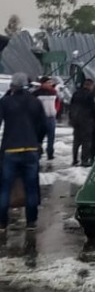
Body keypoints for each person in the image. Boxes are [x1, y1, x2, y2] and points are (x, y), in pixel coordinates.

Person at [0, 73, 46, 232]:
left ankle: (2, 223)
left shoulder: (6, 101)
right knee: (31, 186)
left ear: (13, 85)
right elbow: (43, 125)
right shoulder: (35, 102)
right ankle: (31, 221)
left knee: (5, 186)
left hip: (11, 148)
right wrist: (38, 141)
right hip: (31, 148)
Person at [70, 79, 95, 167]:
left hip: (75, 119)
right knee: (86, 141)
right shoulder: (91, 95)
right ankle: (84, 160)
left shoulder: (76, 93)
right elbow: (94, 108)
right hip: (86, 120)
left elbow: (71, 106)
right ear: (90, 85)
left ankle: (74, 159)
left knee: (76, 140)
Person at [33, 77, 58, 161]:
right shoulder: (36, 93)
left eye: (50, 82)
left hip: (51, 118)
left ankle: (50, 153)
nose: (49, 84)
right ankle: (38, 152)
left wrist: (56, 110)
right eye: (47, 82)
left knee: (51, 137)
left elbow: (57, 102)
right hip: (40, 119)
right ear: (42, 83)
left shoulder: (53, 92)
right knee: (39, 137)